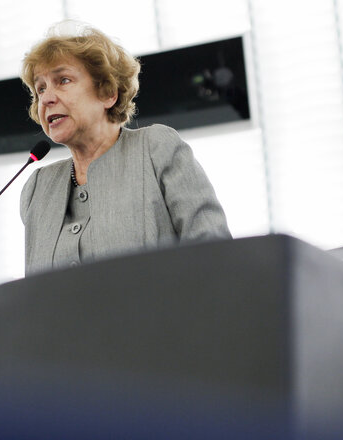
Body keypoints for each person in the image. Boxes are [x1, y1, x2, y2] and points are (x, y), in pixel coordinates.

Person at [19, 24, 231, 276]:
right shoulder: (37, 188)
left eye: (63, 80)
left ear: (108, 93)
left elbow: (216, 256)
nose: (46, 99)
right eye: (40, 88)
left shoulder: (155, 149)